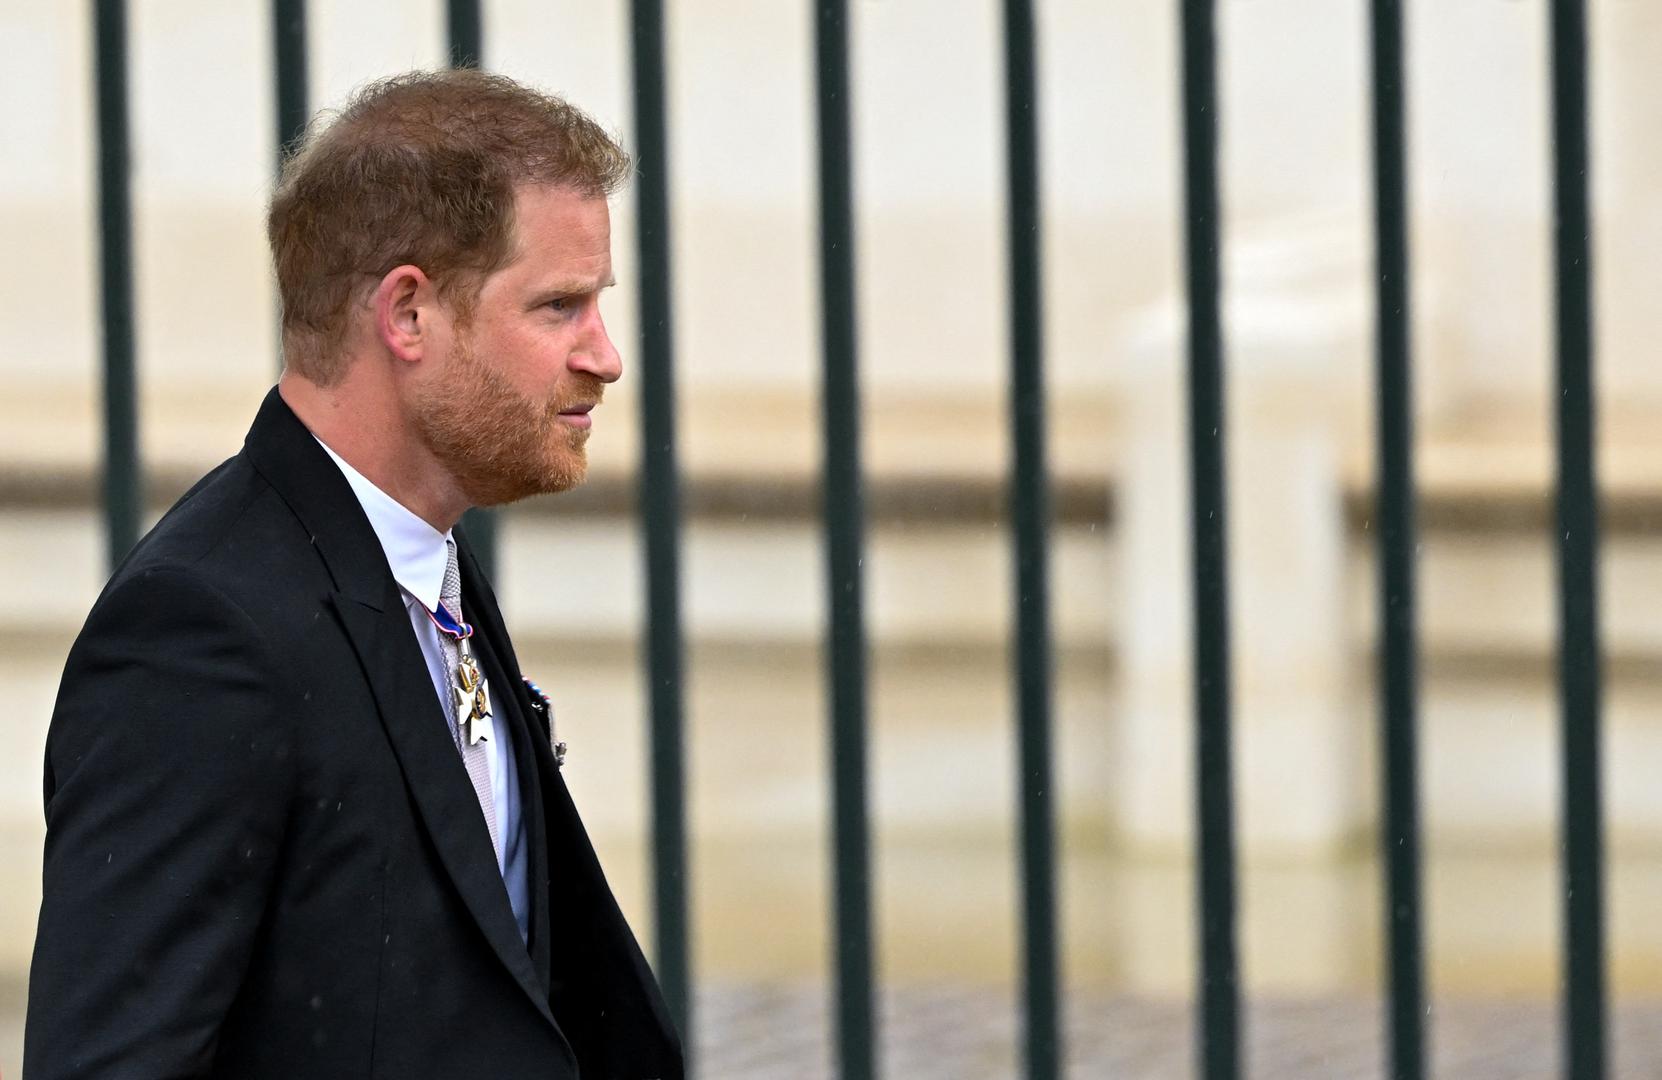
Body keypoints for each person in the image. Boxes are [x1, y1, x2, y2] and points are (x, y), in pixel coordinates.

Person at [23, 69, 682, 1079]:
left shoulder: (425, 554)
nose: (605, 355)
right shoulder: (201, 632)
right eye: (559, 306)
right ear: (407, 314)